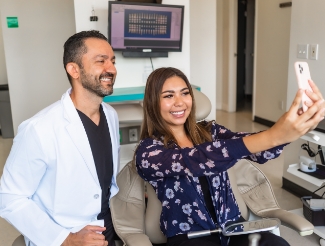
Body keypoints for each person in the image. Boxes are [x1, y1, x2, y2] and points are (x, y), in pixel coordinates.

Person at [135, 67, 325, 246]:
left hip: (234, 228)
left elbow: (258, 151)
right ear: (153, 103)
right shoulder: (149, 151)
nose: (180, 102)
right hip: (190, 238)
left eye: (185, 93)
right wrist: (272, 136)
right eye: (169, 96)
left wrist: (293, 128)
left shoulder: (211, 131)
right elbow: (198, 159)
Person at [0, 30, 120, 246]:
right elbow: (9, 198)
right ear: (74, 69)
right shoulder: (39, 129)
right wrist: (65, 239)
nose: (111, 69)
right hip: (67, 234)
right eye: (101, 61)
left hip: (109, 229)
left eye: (112, 61)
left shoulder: (110, 115)